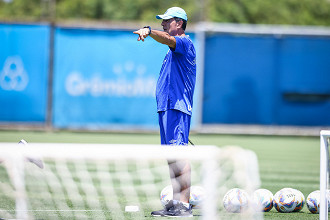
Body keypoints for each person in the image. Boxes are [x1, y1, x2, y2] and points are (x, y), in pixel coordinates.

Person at [133, 7, 196, 217]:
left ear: (179, 23)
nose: (163, 24)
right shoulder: (173, 50)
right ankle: (176, 201)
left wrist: (150, 31)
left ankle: (184, 205)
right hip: (167, 108)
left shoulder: (184, 43)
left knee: (179, 155)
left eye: (167, 21)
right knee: (171, 156)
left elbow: (169, 40)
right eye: (162, 22)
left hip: (177, 107)